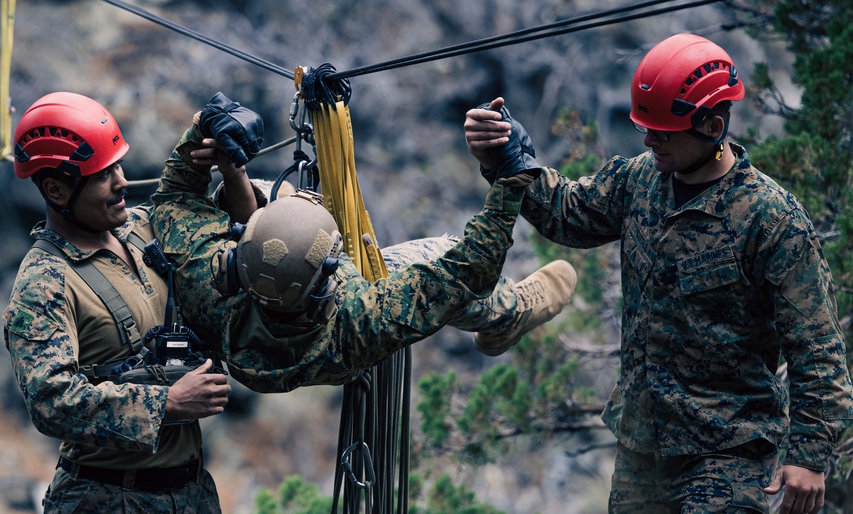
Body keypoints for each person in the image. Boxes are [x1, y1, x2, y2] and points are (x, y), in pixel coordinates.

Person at [464, 33, 853, 514]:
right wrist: (509, 160)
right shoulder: (640, 180)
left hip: (726, 458)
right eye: (644, 127)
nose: (648, 140)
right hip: (642, 453)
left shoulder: (770, 219)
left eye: (663, 132)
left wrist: (809, 456)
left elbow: (817, 348)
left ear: (713, 127)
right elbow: (570, 215)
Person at [147, 93, 578, 393]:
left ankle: (251, 194)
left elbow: (175, 197)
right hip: (329, 337)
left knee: (270, 205)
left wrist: (208, 131)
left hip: (259, 318)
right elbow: (466, 271)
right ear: (330, 283)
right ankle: (507, 316)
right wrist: (512, 178)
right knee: (439, 259)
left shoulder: (206, 280)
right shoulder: (357, 321)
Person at [3, 92, 237, 514]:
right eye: (104, 174)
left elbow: (188, 200)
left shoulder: (140, 232)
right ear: (57, 187)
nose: (122, 182)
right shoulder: (45, 283)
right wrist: (168, 404)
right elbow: (51, 399)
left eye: (119, 165)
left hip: (191, 508)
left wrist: (212, 142)